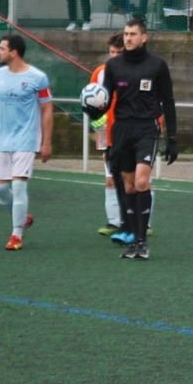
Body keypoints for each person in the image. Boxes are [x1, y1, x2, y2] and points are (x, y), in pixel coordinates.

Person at [95, 18, 177, 260]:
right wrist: (94, 109)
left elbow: (168, 101)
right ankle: (133, 238)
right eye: (126, 34)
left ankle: (142, 241)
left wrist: (172, 138)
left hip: (146, 129)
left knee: (142, 181)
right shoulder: (113, 66)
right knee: (129, 185)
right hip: (122, 129)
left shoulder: (157, 65)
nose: (128, 38)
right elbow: (105, 101)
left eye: (133, 34)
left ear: (144, 37)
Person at [0, 35, 53, 250]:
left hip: (26, 140)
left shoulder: (38, 78)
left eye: (1, 48)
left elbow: (47, 109)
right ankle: (22, 217)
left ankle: (16, 234)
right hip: (1, 140)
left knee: (18, 186)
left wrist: (46, 142)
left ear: (13, 52)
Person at [89, 32, 126, 237]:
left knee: (138, 179)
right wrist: (95, 120)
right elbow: (91, 99)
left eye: (119, 52)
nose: (114, 56)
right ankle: (113, 222)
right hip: (107, 130)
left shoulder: (138, 71)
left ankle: (143, 222)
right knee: (111, 178)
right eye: (112, 52)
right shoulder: (100, 72)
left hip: (133, 130)